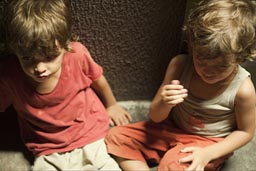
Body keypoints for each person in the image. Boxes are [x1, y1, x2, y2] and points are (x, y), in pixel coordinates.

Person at [105, 0, 256, 170]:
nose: (208, 71)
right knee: (116, 137)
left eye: (221, 66)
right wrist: (165, 103)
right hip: (171, 129)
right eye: (201, 60)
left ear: (240, 56)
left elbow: (245, 132)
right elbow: (155, 116)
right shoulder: (179, 65)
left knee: (173, 165)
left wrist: (209, 153)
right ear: (192, 46)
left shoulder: (243, 90)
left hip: (207, 143)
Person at [0, 0, 132, 170]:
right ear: (15, 51)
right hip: (47, 148)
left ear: (65, 44)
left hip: (90, 132)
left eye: (49, 57)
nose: (39, 68)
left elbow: (98, 79)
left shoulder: (77, 55)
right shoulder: (10, 75)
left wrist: (112, 104)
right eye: (27, 58)